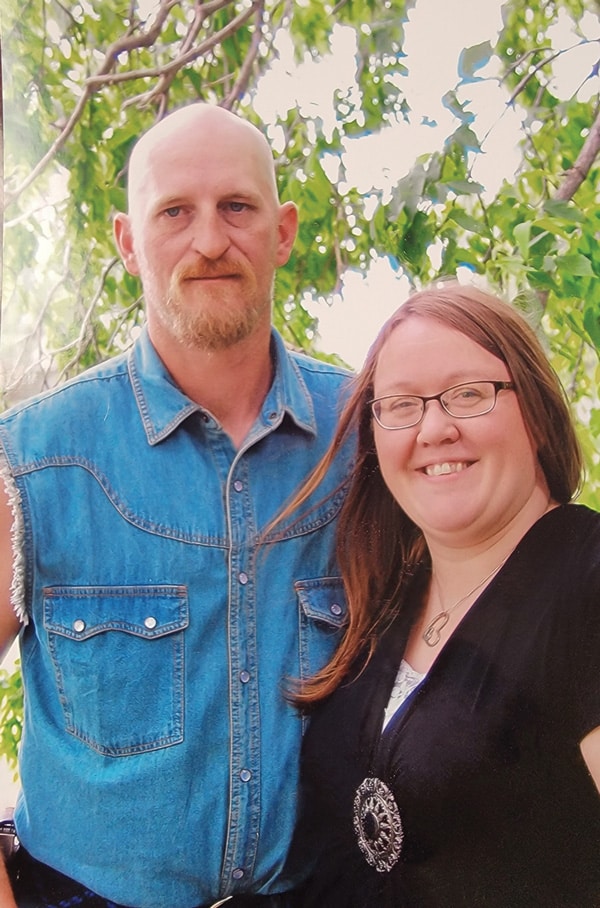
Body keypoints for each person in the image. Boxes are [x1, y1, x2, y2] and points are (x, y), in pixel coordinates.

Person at [0, 103, 354, 908]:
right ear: (129, 242)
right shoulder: (33, 458)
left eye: (237, 207)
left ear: (284, 230)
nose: (209, 241)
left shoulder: (363, 439)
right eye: (174, 213)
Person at [283, 282, 600, 907]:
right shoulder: (387, 600)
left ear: (534, 411)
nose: (434, 428)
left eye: (468, 395)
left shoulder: (585, 582)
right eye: (400, 405)